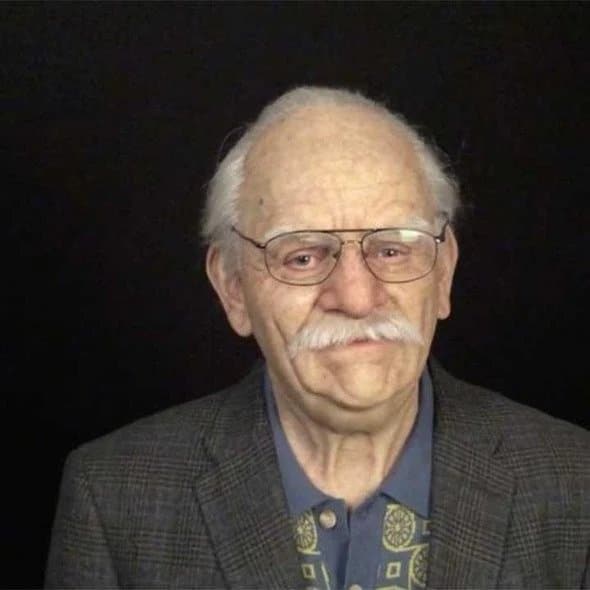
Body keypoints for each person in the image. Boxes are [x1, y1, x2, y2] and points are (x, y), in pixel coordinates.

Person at [45, 87, 589, 590]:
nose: (356, 297)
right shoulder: (114, 500)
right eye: (303, 257)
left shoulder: (576, 485)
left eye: (392, 249)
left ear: (443, 272)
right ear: (233, 287)